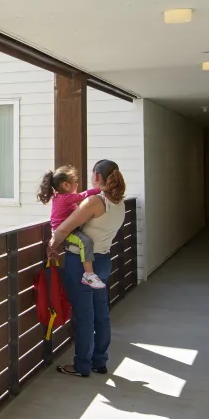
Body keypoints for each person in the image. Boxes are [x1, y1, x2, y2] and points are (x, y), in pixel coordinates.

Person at [49, 159, 127, 377]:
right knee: (101, 313)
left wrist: (52, 247)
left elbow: (64, 228)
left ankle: (82, 365)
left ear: (96, 177)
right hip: (103, 261)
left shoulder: (94, 202)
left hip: (80, 264)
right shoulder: (119, 202)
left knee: (84, 316)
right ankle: (99, 361)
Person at [38, 165, 106, 289]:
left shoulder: (60, 197)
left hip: (68, 228)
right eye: (75, 182)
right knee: (86, 242)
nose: (77, 185)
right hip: (65, 231)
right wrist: (98, 189)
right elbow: (82, 196)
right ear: (66, 185)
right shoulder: (65, 198)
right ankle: (88, 274)